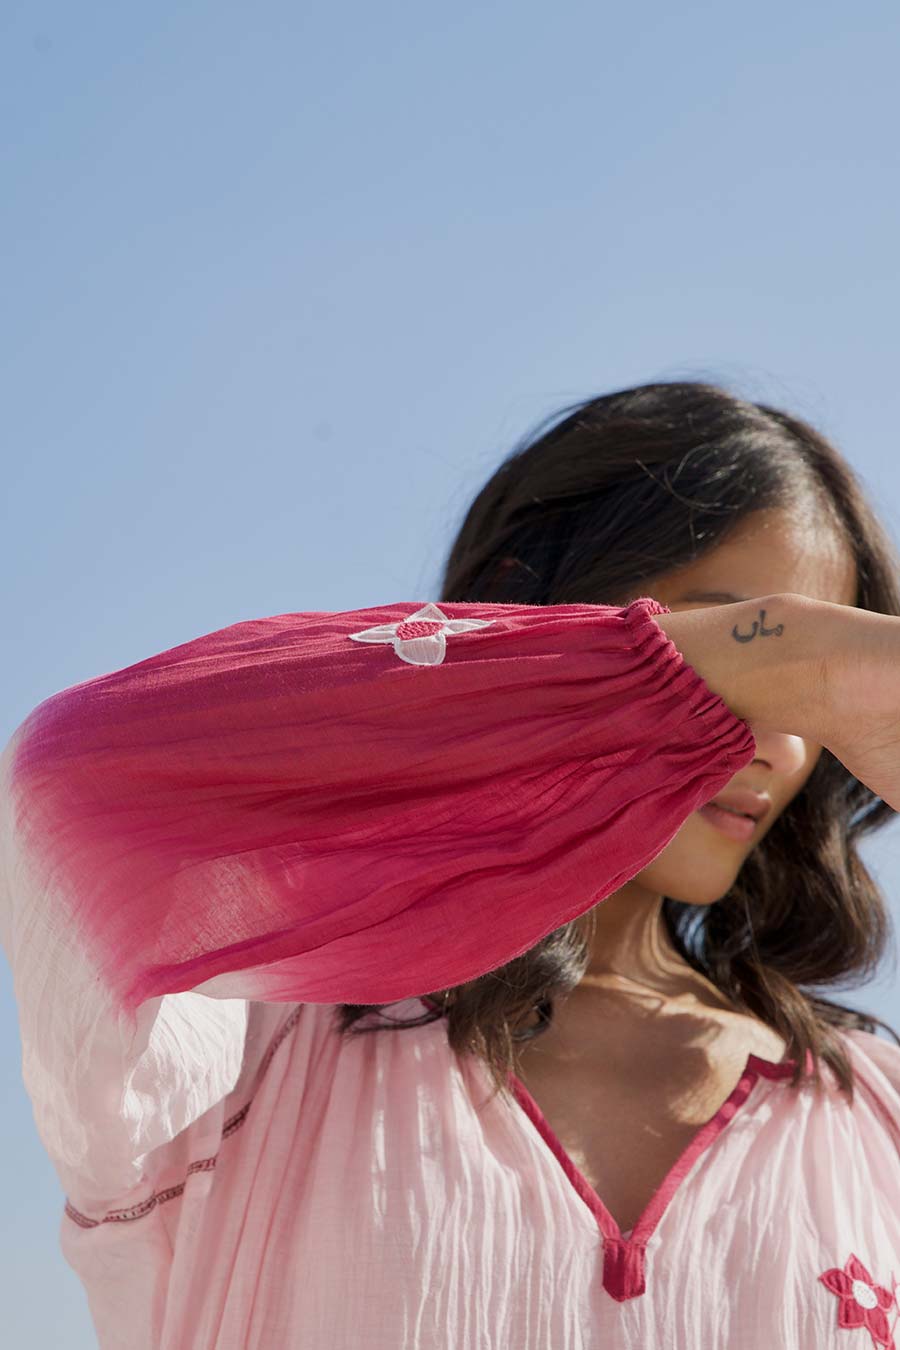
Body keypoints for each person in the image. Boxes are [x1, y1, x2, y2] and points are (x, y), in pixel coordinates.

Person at [3, 379, 900, 1349]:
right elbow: (67, 777)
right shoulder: (246, 1048)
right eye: (739, 646)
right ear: (535, 615)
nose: (785, 744)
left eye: (814, 693)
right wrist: (774, 653)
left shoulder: (872, 1113)